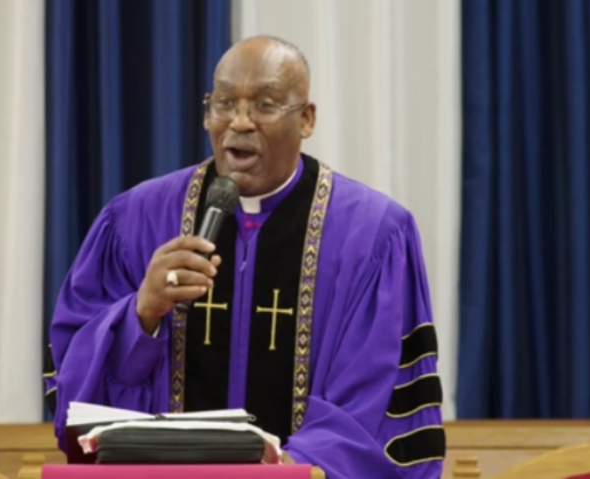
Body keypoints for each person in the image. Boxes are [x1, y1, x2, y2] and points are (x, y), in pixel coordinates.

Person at [44, 35, 445, 478]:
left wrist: (290, 467)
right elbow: (75, 374)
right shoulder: (135, 220)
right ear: (206, 113)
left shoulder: (372, 236)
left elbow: (374, 395)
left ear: (306, 118)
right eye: (224, 103)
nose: (239, 122)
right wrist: (142, 314)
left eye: (264, 105)